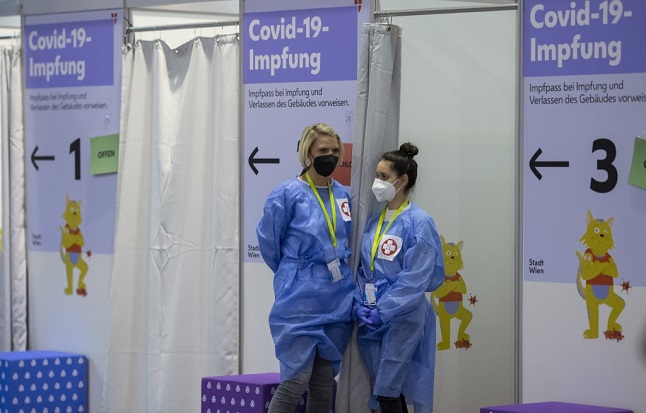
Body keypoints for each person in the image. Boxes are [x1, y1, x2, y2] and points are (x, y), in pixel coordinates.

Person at [256, 123, 355, 413]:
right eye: (323, 150)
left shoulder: (342, 196)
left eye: (335, 150)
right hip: (298, 299)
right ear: (308, 153)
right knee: (295, 380)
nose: (331, 156)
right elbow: (269, 243)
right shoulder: (286, 194)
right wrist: (293, 273)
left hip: (336, 296)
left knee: (324, 383)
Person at [354, 143, 444, 413]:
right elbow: (364, 268)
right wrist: (361, 302)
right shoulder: (374, 221)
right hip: (372, 317)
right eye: (377, 176)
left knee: (388, 391)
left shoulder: (419, 222)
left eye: (384, 177)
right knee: (383, 392)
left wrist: (385, 308)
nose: (377, 183)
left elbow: (416, 278)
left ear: (402, 181)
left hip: (404, 316)